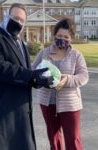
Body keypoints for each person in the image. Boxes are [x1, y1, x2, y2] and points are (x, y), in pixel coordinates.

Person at [0, 3, 54, 150]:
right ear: (6, 16)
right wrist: (32, 74)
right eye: (15, 18)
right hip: (1, 116)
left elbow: (23, 73)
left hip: (22, 114)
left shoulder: (21, 44)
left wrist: (38, 80)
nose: (18, 23)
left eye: (22, 21)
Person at [32, 18, 89, 150]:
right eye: (59, 35)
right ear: (54, 35)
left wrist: (67, 80)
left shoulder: (76, 55)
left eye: (66, 36)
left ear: (71, 38)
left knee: (73, 139)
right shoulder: (44, 52)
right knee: (54, 138)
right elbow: (33, 71)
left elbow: (84, 76)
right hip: (47, 103)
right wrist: (39, 79)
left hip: (70, 104)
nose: (61, 39)